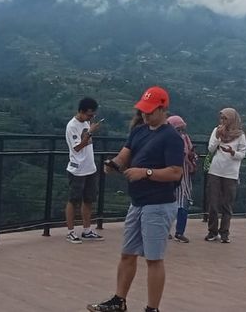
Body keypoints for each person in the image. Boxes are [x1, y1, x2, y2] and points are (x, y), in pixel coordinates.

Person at [88, 86, 183, 312]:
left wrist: (146, 172)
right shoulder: (139, 131)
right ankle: (119, 301)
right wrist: (114, 164)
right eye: (143, 111)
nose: (145, 115)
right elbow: (125, 154)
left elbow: (175, 172)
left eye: (150, 111)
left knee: (153, 259)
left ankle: (152, 308)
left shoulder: (172, 138)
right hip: (138, 202)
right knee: (127, 254)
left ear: (163, 109)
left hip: (158, 205)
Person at [65, 97, 105, 243]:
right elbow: (77, 147)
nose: (91, 117)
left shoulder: (86, 122)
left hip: (90, 168)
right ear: (81, 111)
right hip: (77, 169)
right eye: (89, 114)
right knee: (73, 200)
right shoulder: (72, 126)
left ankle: (87, 230)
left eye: (93, 115)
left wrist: (90, 131)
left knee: (88, 200)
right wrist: (90, 132)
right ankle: (70, 231)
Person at [205, 108, 246, 243]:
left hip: (231, 173)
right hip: (215, 170)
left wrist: (233, 152)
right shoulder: (216, 130)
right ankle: (212, 231)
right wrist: (218, 137)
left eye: (225, 119)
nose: (222, 121)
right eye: (221, 118)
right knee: (213, 203)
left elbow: (243, 154)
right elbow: (210, 149)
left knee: (227, 205)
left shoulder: (240, 135)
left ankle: (224, 233)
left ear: (232, 120)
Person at [166, 116, 197, 243]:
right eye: (178, 130)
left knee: (183, 205)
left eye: (182, 130)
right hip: (171, 177)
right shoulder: (166, 141)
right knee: (168, 205)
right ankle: (166, 230)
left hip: (184, 177)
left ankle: (180, 232)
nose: (181, 133)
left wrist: (191, 158)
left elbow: (191, 155)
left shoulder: (186, 139)